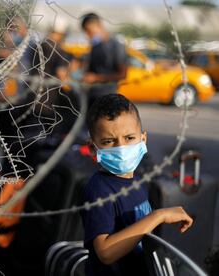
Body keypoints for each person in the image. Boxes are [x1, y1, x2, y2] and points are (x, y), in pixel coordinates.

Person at [81, 94, 193, 276]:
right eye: (109, 142)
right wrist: (159, 215)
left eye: (129, 138)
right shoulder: (99, 190)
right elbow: (106, 253)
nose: (121, 148)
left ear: (143, 139)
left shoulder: (137, 181)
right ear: (93, 148)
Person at [80, 13, 128, 106]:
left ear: (98, 25)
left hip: (107, 98)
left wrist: (96, 78)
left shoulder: (116, 46)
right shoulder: (95, 46)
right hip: (91, 97)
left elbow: (123, 74)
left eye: (89, 31)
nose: (87, 36)